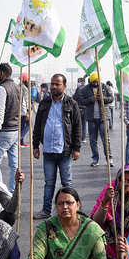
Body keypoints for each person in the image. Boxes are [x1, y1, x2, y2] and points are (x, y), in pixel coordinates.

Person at [32, 73, 81, 219]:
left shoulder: (71, 103)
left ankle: (71, 210)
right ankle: (46, 210)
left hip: (65, 150)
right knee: (49, 183)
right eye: (52, 84)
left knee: (66, 183)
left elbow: (77, 127)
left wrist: (76, 148)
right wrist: (35, 146)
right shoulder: (44, 103)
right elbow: (37, 125)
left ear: (64, 86)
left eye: (57, 84)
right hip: (47, 149)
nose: (53, 87)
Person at [90, 164, 129, 259]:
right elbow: (96, 221)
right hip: (112, 235)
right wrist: (105, 201)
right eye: (122, 180)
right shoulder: (111, 191)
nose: (125, 183)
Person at [0, 63, 20, 192]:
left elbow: (0, 111)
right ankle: (12, 191)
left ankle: (2, 192)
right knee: (14, 164)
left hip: (5, 130)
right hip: (15, 129)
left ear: (2, 73)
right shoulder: (17, 87)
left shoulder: (2, 88)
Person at [74, 73, 113, 167]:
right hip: (91, 118)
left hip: (103, 117)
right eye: (94, 81)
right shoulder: (85, 89)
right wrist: (90, 99)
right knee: (93, 140)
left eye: (97, 81)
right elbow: (80, 100)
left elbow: (111, 98)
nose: (96, 83)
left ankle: (109, 159)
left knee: (106, 139)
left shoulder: (105, 87)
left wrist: (103, 99)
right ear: (91, 81)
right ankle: (95, 159)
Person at [73, 77, 87, 142]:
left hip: (79, 108)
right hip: (85, 108)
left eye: (79, 82)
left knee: (79, 124)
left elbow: (74, 98)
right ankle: (83, 138)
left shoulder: (78, 89)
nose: (78, 83)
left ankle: (79, 137)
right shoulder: (87, 88)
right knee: (83, 124)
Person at [19, 73, 31, 148]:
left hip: (19, 111)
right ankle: (19, 139)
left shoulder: (18, 87)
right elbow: (26, 101)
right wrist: (27, 112)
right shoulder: (24, 88)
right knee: (28, 125)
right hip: (23, 111)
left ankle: (21, 142)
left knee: (22, 127)